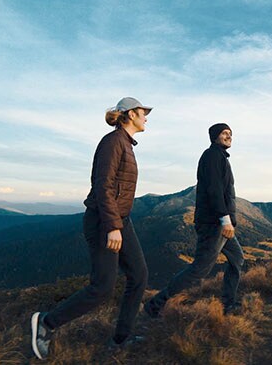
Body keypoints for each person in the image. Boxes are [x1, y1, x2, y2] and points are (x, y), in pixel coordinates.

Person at [31, 97, 152, 361]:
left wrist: (118, 223)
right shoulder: (112, 142)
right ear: (130, 114)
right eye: (143, 112)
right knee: (103, 287)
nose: (147, 117)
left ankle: (122, 338)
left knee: (139, 275)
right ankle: (46, 323)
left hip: (120, 221)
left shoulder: (127, 145)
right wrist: (112, 226)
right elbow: (102, 186)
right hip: (104, 221)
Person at [144, 123, 244, 317]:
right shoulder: (212, 156)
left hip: (219, 222)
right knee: (199, 269)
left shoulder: (220, 157)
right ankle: (155, 305)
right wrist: (225, 220)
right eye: (224, 133)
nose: (229, 136)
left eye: (231, 133)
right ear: (215, 136)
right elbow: (214, 190)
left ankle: (228, 303)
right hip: (214, 224)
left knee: (237, 259)